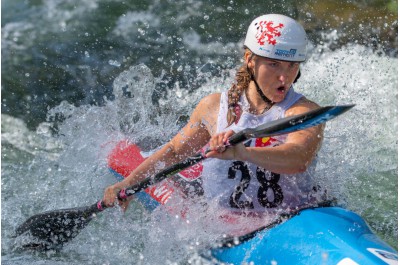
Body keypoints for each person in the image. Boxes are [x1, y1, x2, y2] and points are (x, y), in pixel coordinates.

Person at [103, 14, 325, 234]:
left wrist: (243, 153)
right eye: (274, 64)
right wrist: (129, 184)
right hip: (228, 226)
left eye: (291, 66)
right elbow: (173, 152)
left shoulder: (304, 112)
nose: (284, 78)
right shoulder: (213, 107)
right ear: (250, 59)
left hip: (293, 220)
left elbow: (298, 158)